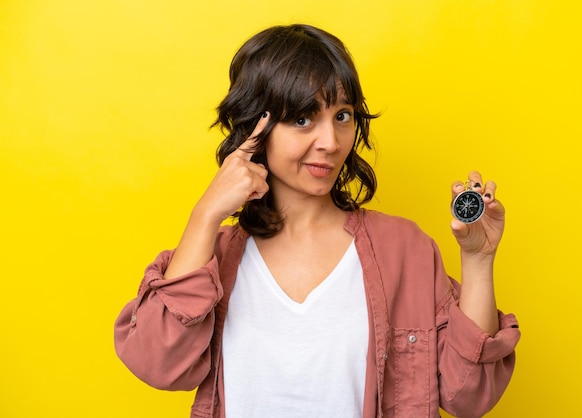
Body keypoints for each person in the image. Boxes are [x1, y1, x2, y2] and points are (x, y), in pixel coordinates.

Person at [114, 24, 520, 418]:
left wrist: (479, 260)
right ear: (257, 127)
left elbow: (468, 397)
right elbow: (159, 364)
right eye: (304, 119)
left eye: (342, 116)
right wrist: (205, 215)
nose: (330, 142)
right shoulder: (213, 260)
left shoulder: (405, 250)